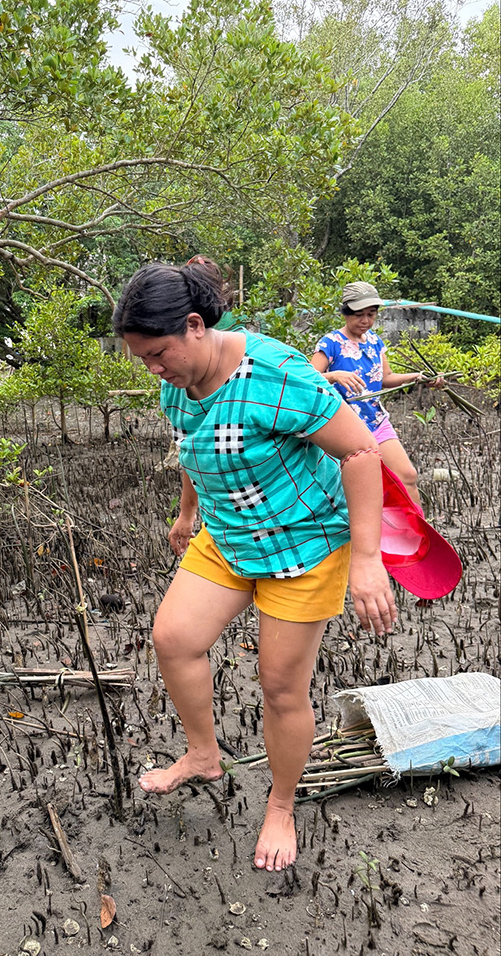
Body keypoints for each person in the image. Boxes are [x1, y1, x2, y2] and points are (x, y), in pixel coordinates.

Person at [113, 261, 396, 873]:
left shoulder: (277, 373)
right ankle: (202, 755)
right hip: (229, 534)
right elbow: (193, 447)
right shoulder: (176, 381)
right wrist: (187, 511)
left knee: (279, 686)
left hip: (303, 541)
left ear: (195, 326)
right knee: (174, 638)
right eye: (142, 359)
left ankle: (282, 805)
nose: (153, 369)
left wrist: (368, 559)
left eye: (158, 353)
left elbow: (361, 451)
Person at [311, 282, 442, 507]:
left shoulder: (374, 341)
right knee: (353, 490)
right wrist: (334, 376)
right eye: (359, 315)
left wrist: (417, 377)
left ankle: (420, 536)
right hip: (344, 425)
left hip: (375, 419)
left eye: (371, 315)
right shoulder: (331, 343)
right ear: (345, 313)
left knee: (407, 476)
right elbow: (307, 377)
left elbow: (385, 378)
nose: (365, 321)